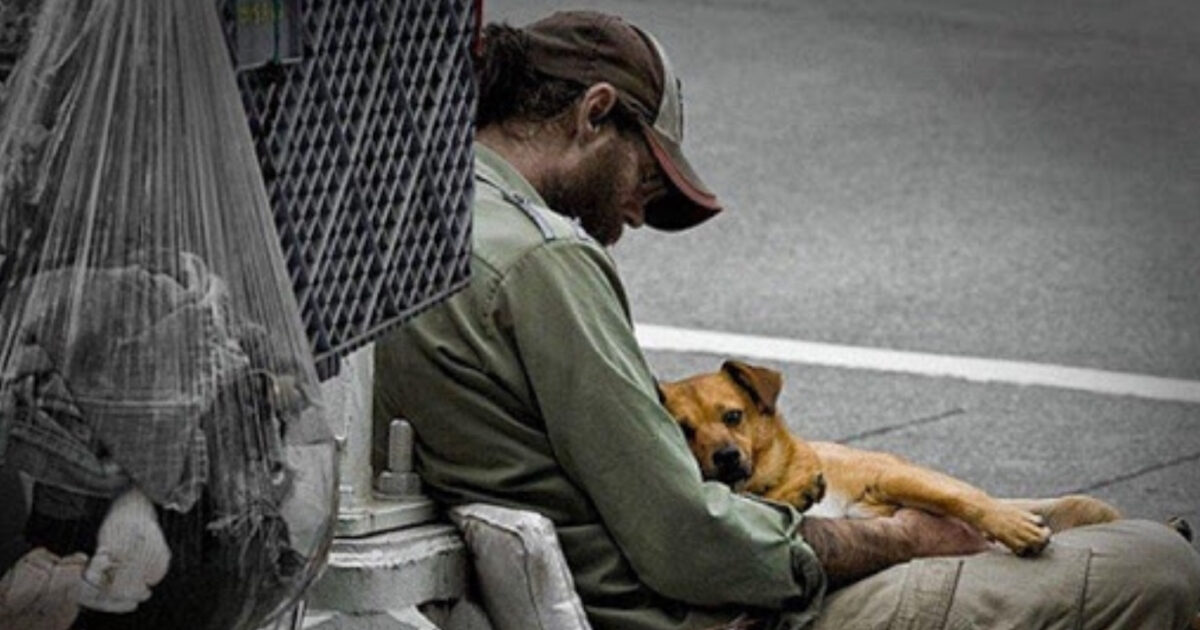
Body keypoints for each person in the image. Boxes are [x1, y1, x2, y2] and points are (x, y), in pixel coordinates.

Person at [373, 10, 1200, 630]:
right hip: (719, 610)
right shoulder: (544, 261)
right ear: (594, 114)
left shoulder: (408, 222)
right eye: (645, 184)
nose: (631, 215)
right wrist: (898, 540)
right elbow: (690, 541)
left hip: (605, 584)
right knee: (1161, 569)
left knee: (1076, 523)